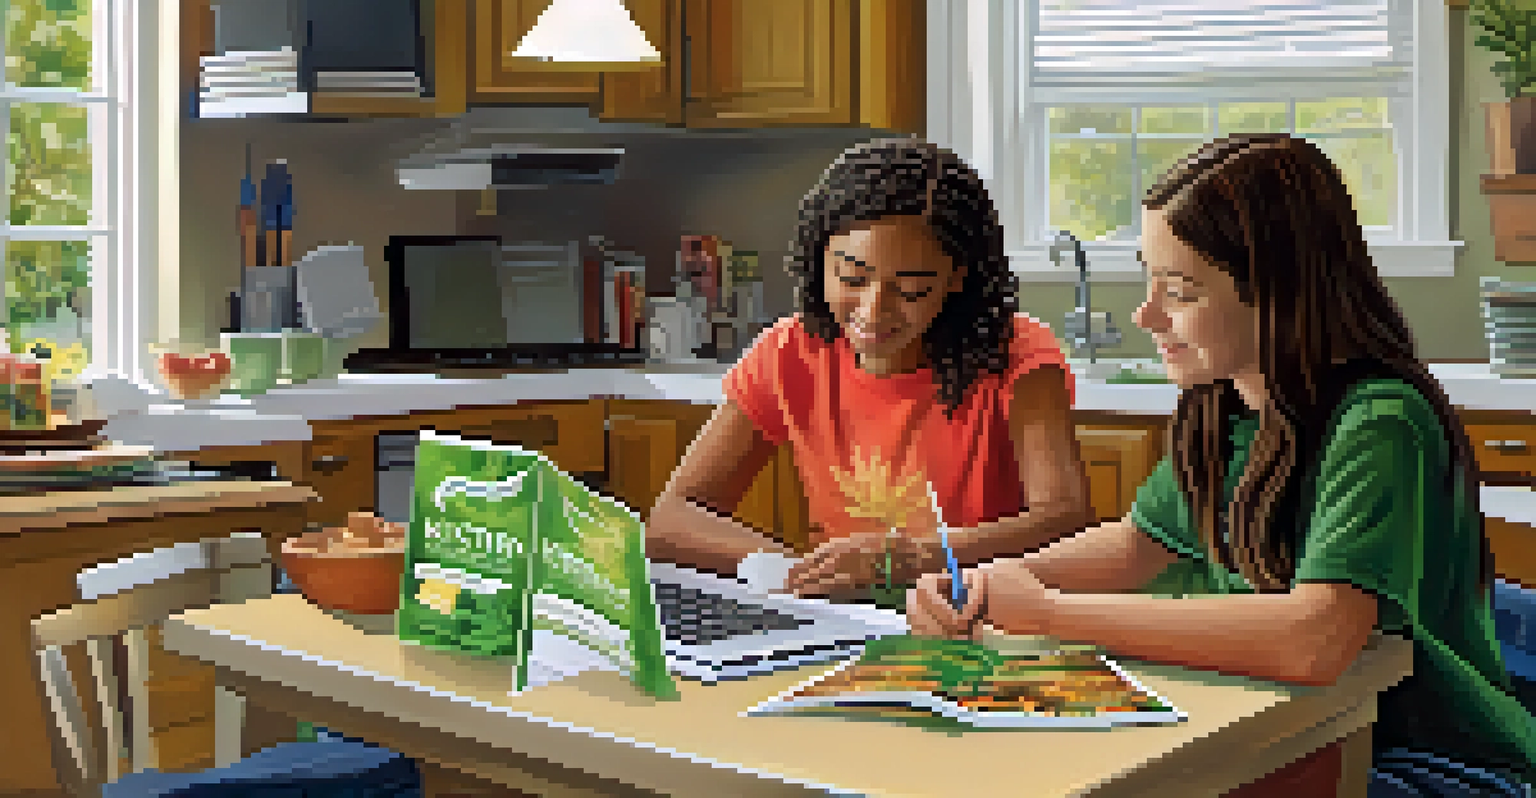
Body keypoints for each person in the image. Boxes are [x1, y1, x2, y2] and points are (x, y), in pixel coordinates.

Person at [908, 133, 1536, 797]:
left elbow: (1314, 638)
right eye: (1150, 278)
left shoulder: (1380, 424)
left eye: (1181, 290)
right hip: (1292, 726)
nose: (1147, 314)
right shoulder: (1223, 406)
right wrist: (977, 585)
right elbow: (1137, 544)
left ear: (1283, 292)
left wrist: (1050, 613)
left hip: (1426, 758)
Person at [647, 138, 1095, 598]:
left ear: (957, 278)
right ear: (819, 257)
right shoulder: (790, 352)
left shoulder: (1017, 354)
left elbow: (1064, 520)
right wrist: (790, 570)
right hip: (841, 617)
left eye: (912, 289)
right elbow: (672, 518)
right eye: (852, 279)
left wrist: (915, 558)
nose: (874, 309)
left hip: (977, 613)